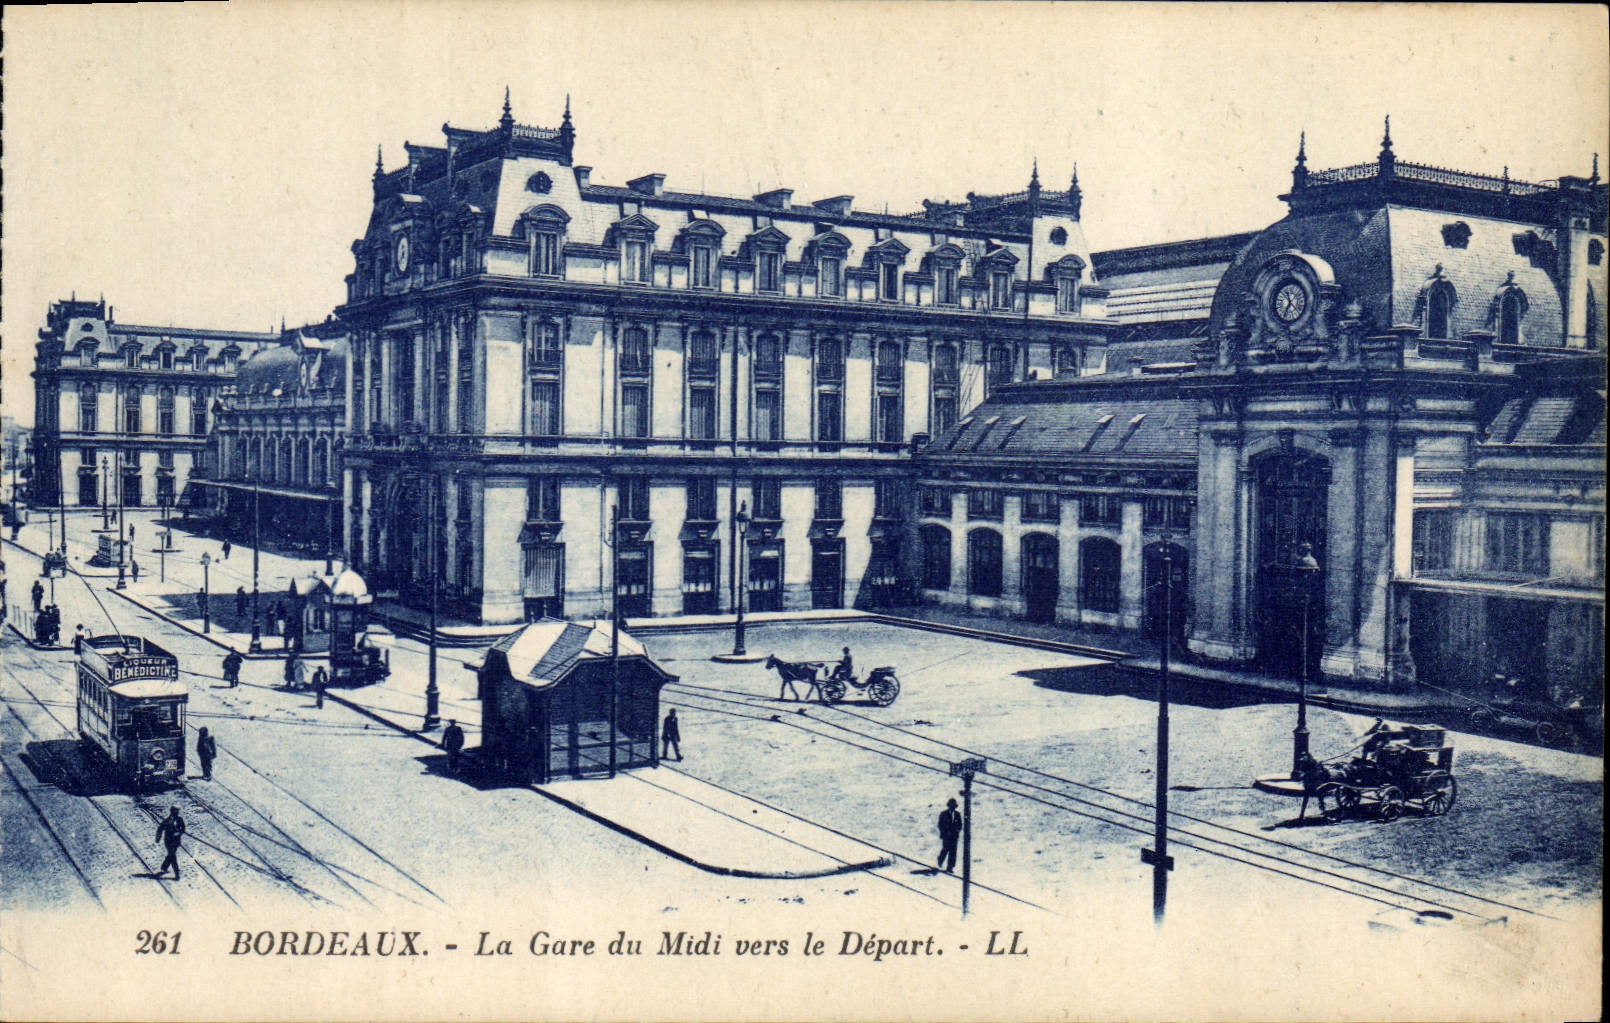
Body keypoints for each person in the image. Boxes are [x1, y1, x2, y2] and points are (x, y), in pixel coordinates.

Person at [155, 807, 186, 880]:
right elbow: (160, 828)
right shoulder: (167, 820)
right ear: (171, 812)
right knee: (173, 856)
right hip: (168, 841)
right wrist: (158, 838)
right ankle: (177, 873)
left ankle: (164, 866)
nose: (176, 813)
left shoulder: (180, 819)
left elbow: (183, 828)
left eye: (177, 811)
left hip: (176, 841)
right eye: (175, 811)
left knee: (171, 855)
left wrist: (179, 832)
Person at [937, 797, 963, 873]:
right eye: (951, 805)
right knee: (945, 849)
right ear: (948, 806)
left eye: (954, 806)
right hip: (946, 836)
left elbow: (960, 824)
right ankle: (940, 860)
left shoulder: (957, 814)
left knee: (953, 852)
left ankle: (950, 867)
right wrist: (945, 832)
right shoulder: (943, 814)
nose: (952, 807)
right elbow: (940, 824)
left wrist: (957, 830)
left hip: (954, 836)